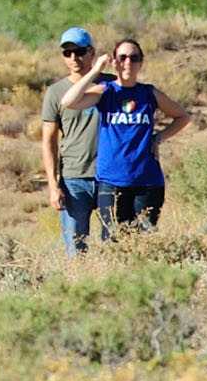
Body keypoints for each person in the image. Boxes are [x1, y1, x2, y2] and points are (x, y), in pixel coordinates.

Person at [58, 36, 191, 235]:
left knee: (145, 242)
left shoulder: (149, 93)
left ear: (141, 62)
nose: (128, 62)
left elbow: (182, 117)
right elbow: (69, 101)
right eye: (122, 57)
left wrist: (159, 137)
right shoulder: (106, 91)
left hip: (147, 181)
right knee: (113, 240)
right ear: (114, 61)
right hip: (112, 181)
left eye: (134, 58)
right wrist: (95, 70)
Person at [39, 27, 108, 252]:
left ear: (91, 52)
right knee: (76, 248)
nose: (73, 58)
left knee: (117, 242)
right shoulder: (56, 92)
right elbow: (49, 141)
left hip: (111, 175)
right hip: (74, 177)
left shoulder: (112, 85)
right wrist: (52, 184)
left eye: (79, 52)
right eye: (67, 53)